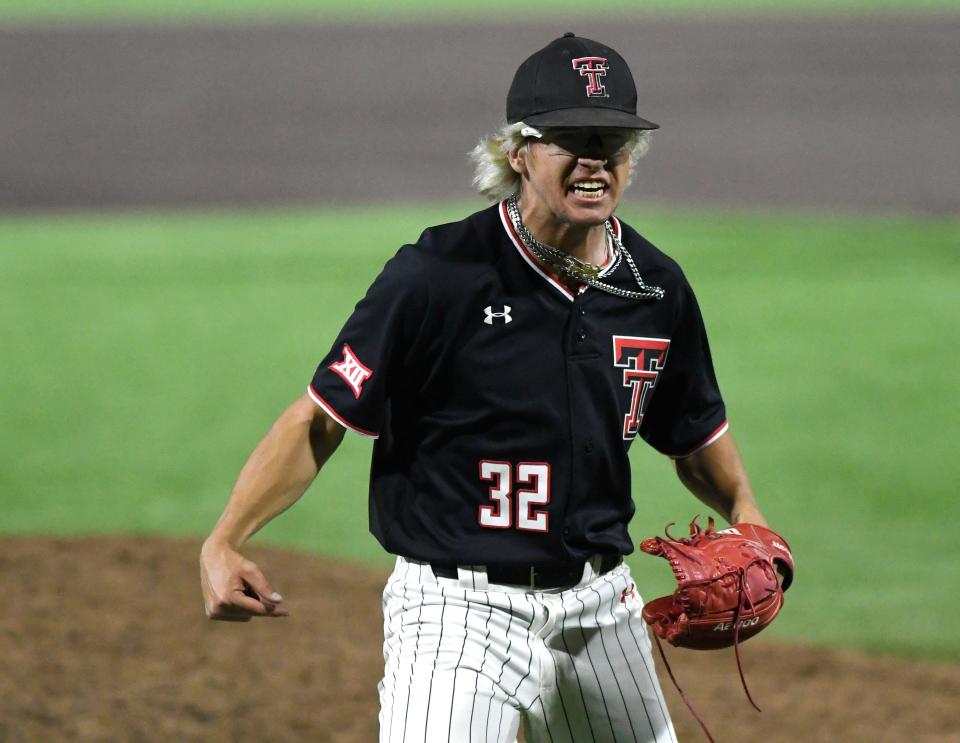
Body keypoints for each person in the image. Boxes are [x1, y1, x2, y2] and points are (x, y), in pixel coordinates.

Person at [200, 32, 778, 743]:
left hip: (602, 607)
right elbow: (320, 420)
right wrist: (226, 539)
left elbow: (694, 434)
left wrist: (746, 513)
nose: (595, 159)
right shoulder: (437, 275)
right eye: (570, 138)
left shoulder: (655, 287)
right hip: (457, 610)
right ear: (518, 150)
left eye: (614, 140)